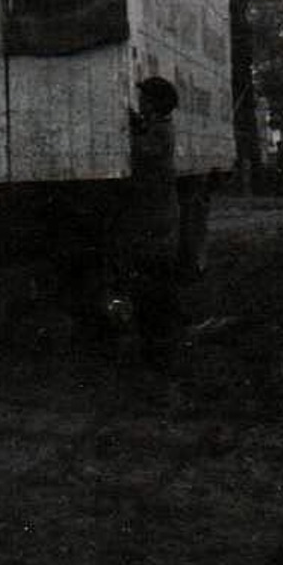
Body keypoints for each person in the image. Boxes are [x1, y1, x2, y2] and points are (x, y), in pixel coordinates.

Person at [121, 75, 182, 371]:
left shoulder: (159, 133)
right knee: (154, 283)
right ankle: (158, 346)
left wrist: (126, 128)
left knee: (152, 285)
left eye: (145, 99)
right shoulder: (159, 128)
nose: (141, 103)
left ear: (156, 104)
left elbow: (141, 151)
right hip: (157, 216)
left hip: (153, 219)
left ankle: (157, 351)